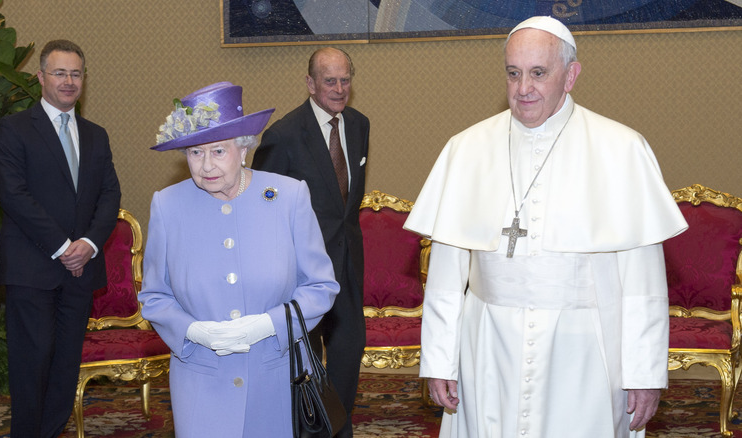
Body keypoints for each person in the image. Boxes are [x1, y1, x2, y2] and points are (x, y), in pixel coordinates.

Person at [403, 16, 689, 438]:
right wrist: (439, 360)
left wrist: (645, 371)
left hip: (584, 350)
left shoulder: (621, 149)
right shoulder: (466, 149)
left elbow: (644, 282)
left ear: (571, 75)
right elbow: (446, 278)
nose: (523, 89)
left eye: (539, 73)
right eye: (513, 73)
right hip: (487, 346)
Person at [138, 82, 340, 437]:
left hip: (276, 376)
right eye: (195, 153)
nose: (206, 165)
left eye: (218, 150)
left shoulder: (289, 197)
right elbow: (154, 296)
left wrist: (267, 325)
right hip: (200, 379)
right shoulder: (167, 205)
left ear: (244, 148)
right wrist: (192, 331)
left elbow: (321, 287)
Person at [0, 39, 121, 437]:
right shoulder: (13, 129)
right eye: (60, 72)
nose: (68, 81)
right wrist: (64, 247)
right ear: (41, 77)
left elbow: (109, 194)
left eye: (76, 74)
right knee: (32, 364)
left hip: (81, 271)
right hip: (32, 268)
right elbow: (14, 195)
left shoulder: (96, 134)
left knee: (65, 365)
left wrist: (90, 245)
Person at [252, 47, 369, 436]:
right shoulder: (283, 135)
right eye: (330, 80)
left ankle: (339, 428)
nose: (339, 89)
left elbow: (346, 205)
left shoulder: (359, 124)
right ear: (310, 83)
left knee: (348, 355)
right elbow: (262, 209)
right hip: (301, 272)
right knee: (302, 361)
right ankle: (309, 428)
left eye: (345, 80)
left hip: (348, 265)